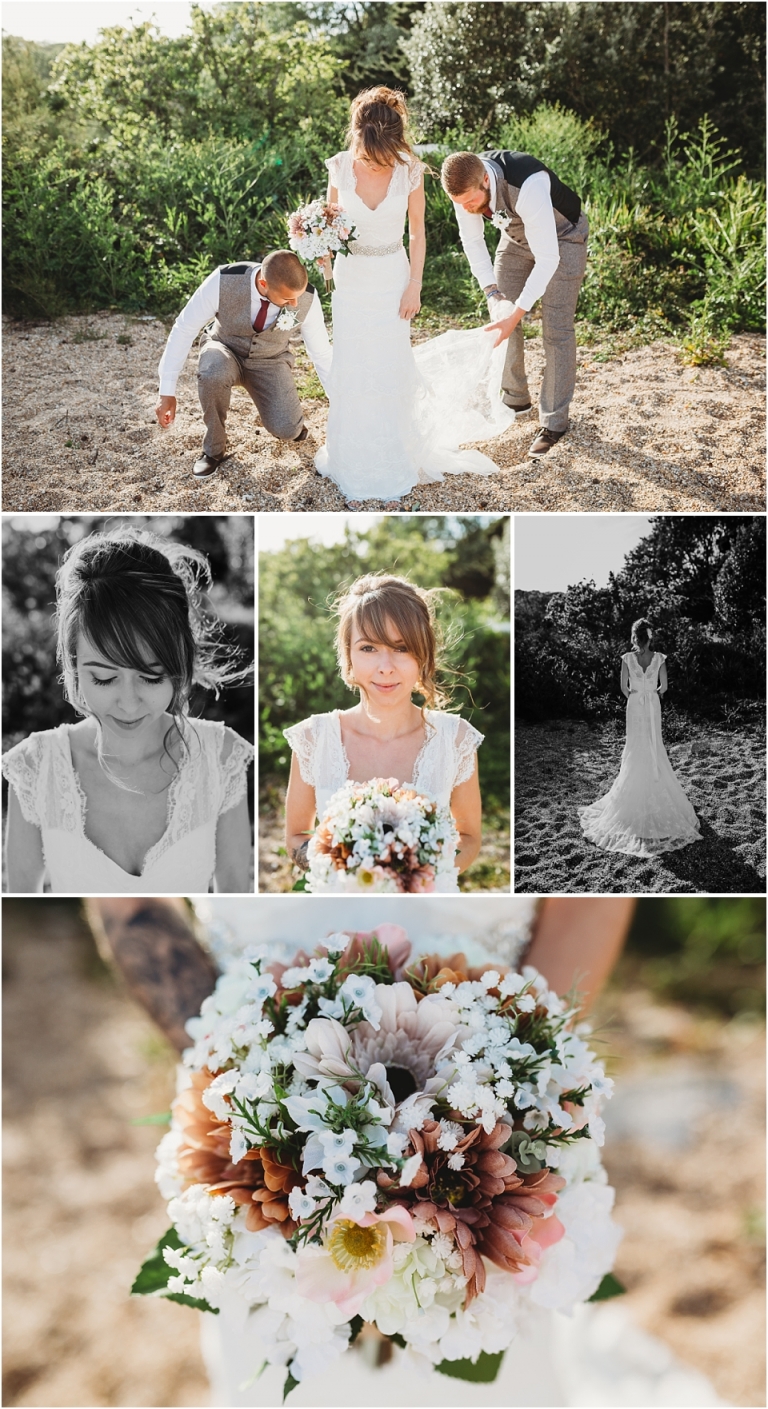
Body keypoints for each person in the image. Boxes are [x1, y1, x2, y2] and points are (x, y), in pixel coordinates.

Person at [2, 527, 254, 893]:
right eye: (103, 678)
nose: (129, 703)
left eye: (151, 678)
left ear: (180, 663)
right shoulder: (33, 767)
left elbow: (237, 906)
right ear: (73, 664)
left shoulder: (223, 758)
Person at [315, 88, 519, 505]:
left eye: (384, 152)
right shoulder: (338, 168)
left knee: (390, 364)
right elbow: (329, 223)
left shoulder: (409, 170)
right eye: (370, 153)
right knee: (354, 364)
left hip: (393, 277)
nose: (377, 160)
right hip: (351, 281)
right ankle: (352, 454)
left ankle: (392, 451)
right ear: (357, 138)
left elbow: (418, 232)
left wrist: (415, 285)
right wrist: (318, 249)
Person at [283, 574, 485, 891]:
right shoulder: (313, 738)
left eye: (401, 648)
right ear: (348, 653)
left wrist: (417, 873)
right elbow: (296, 836)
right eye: (369, 648)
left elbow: (470, 836)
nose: (386, 666)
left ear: (424, 654)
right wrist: (344, 865)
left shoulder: (455, 739)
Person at [442, 149, 589, 460]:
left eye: (471, 201)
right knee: (501, 320)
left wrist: (518, 312)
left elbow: (548, 258)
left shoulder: (529, 184)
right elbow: (472, 242)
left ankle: (554, 424)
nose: (467, 208)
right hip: (515, 240)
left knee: (557, 330)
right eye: (461, 204)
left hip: (563, 238)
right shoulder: (464, 188)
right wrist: (494, 296)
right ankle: (515, 398)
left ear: (485, 179)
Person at [155, 249, 332, 478]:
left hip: (270, 360)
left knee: (288, 430)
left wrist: (337, 398)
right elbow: (184, 328)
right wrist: (166, 391)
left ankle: (290, 425)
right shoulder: (223, 279)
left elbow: (321, 354)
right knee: (212, 374)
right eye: (288, 299)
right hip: (224, 348)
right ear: (263, 283)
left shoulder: (307, 297)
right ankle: (213, 451)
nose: (295, 303)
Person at [578, 618, 702, 855]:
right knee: (654, 744)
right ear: (650, 636)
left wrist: (636, 695)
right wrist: (651, 693)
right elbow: (663, 687)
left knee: (635, 746)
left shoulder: (627, 658)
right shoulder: (659, 659)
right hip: (652, 704)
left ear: (635, 638)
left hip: (635, 703)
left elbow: (623, 688)